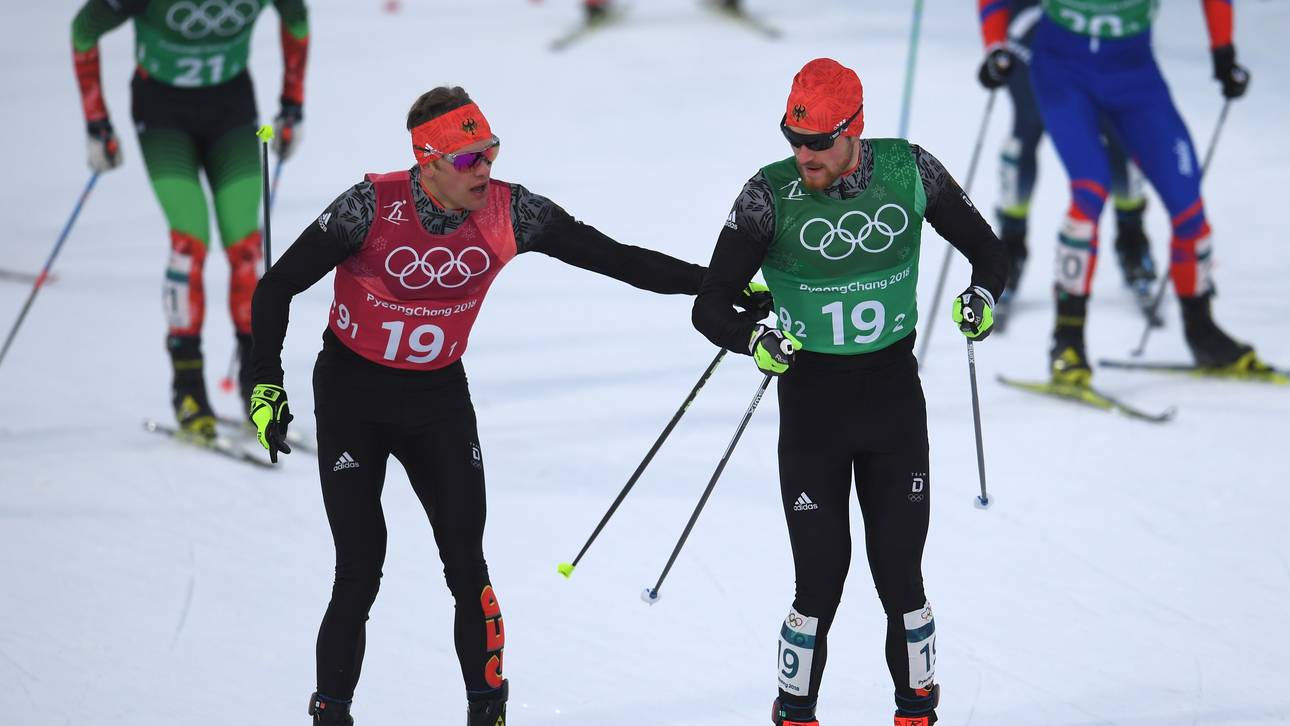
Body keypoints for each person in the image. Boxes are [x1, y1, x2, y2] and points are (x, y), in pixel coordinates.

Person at [247, 87, 762, 726]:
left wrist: (718, 284)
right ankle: (331, 713)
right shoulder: (366, 209)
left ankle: (488, 712)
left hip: (437, 399)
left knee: (466, 559)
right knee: (361, 562)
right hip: (354, 396)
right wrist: (265, 382)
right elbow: (276, 289)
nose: (484, 169)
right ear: (426, 159)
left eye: (490, 151)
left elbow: (615, 259)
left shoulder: (512, 212)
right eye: (469, 159)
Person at [692, 58, 1007, 726]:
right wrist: (753, 339)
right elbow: (711, 305)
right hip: (813, 411)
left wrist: (982, 294)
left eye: (818, 141)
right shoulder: (766, 195)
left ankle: (916, 711)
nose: (803, 154)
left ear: (854, 130)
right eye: (793, 139)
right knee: (819, 581)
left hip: (893, 404)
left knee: (901, 578)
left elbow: (990, 250)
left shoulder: (911, 171)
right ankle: (794, 713)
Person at [975, 0, 1270, 382]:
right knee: (1090, 190)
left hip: (1134, 74)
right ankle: (1067, 340)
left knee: (1188, 203)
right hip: (1063, 71)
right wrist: (995, 44)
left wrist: (1223, 48)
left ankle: (1203, 333)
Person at [71, 0, 310, 437]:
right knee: (189, 242)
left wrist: (292, 104)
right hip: (163, 116)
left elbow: (296, 17)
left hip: (231, 110)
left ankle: (256, 388)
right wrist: (97, 123)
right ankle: (188, 389)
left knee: (246, 247)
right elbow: (84, 30)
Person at [976, 0, 1155, 302]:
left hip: (1095, 27)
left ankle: (1131, 237)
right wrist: (995, 44)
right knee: (1027, 127)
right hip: (1032, 25)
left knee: (1117, 130)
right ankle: (1011, 245)